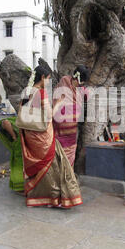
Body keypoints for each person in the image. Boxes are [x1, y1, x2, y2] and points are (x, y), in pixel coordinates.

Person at [17, 63, 82, 208]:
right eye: (47, 79)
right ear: (42, 78)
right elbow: (48, 116)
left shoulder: (27, 92)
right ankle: (51, 197)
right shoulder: (40, 93)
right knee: (51, 165)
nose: (48, 82)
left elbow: (23, 113)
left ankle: (35, 195)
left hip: (30, 135)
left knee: (39, 166)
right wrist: (58, 103)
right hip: (42, 136)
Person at [52, 65, 90, 166]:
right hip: (59, 128)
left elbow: (88, 96)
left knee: (69, 157)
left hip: (71, 130)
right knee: (58, 156)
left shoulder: (81, 89)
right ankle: (60, 179)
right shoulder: (64, 81)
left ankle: (67, 179)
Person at [0, 117, 24, 192]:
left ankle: (20, 187)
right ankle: (20, 188)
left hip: (21, 149)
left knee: (19, 168)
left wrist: (13, 136)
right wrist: (14, 137)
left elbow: (5, 122)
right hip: (19, 150)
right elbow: (5, 122)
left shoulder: (16, 122)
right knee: (19, 169)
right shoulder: (16, 122)